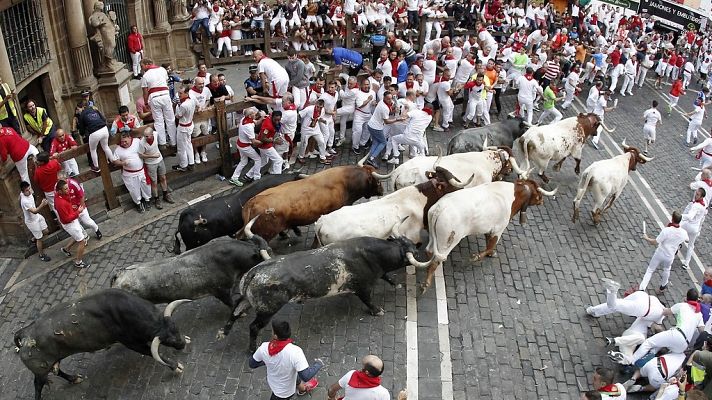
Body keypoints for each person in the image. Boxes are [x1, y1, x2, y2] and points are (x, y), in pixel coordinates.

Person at [611, 289, 704, 366]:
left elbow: (665, 312)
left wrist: (659, 308)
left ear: (686, 297)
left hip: (677, 334)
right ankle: (652, 357)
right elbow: (702, 330)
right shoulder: (699, 314)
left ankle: (631, 361)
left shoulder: (682, 305)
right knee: (660, 344)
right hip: (683, 346)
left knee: (648, 343)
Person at [250, 320, 322, 398]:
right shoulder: (295, 351)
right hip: (284, 391)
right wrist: (318, 364)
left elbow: (252, 364)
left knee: (293, 371)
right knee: (294, 369)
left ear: (275, 336)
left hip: (275, 383)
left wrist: (266, 361)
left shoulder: (264, 348)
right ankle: (302, 388)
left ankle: (302, 389)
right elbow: (306, 376)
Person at [638, 211, 688, 292]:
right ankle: (663, 285)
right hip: (670, 256)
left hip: (660, 252)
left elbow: (655, 242)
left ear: (672, 219)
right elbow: (687, 240)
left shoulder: (666, 230)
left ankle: (642, 288)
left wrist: (646, 237)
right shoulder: (683, 232)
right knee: (667, 269)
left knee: (650, 270)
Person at [112, 132, 153, 213]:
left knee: (146, 186)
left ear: (130, 138)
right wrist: (122, 163)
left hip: (141, 171)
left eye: (125, 141)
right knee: (134, 190)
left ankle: (147, 199)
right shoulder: (118, 150)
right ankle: (138, 203)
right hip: (129, 174)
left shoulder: (136, 141)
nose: (123, 143)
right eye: (122, 142)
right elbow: (115, 161)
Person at [141, 58, 177, 147]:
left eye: (142, 66)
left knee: (158, 121)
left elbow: (145, 92)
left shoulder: (145, 76)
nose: (141, 68)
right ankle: (174, 142)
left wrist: (146, 103)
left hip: (154, 98)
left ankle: (162, 142)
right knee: (170, 120)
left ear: (147, 64)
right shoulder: (162, 70)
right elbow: (165, 82)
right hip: (165, 95)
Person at [55, 179, 90, 268]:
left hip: (71, 221)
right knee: (81, 241)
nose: (68, 190)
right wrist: (77, 212)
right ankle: (78, 261)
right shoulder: (61, 204)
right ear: (60, 191)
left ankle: (66, 249)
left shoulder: (59, 197)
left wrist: (71, 208)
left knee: (77, 236)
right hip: (70, 224)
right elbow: (67, 219)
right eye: (66, 189)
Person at [364, 92, 406, 167]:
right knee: (383, 142)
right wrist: (397, 119)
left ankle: (369, 158)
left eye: (391, 98)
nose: (390, 100)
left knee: (376, 142)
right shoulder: (384, 108)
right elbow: (386, 121)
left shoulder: (382, 102)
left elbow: (390, 111)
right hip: (376, 127)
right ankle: (372, 158)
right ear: (384, 98)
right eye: (388, 99)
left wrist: (394, 109)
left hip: (371, 125)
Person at [59, 170, 102, 240]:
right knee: (77, 225)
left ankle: (96, 229)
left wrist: (82, 206)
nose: (59, 182)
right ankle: (84, 236)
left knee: (87, 222)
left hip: (79, 206)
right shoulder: (58, 187)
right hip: (71, 210)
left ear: (66, 178)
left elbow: (81, 195)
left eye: (61, 180)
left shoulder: (73, 184)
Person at [139, 127, 174, 209]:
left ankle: (165, 194)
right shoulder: (142, 143)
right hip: (150, 163)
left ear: (152, 134)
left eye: (148, 136)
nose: (146, 138)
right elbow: (141, 155)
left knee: (163, 177)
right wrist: (152, 156)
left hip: (160, 160)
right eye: (145, 136)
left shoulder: (156, 134)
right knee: (154, 182)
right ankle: (156, 199)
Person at [230, 107, 264, 186]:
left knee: (243, 161)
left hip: (240, 144)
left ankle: (234, 177)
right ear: (250, 116)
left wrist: (262, 117)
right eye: (254, 114)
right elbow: (254, 142)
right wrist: (264, 142)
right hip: (245, 147)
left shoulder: (244, 119)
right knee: (258, 159)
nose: (255, 114)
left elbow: (256, 122)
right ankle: (257, 178)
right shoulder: (248, 127)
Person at [19, 181, 51, 262]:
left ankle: (33, 239)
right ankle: (41, 255)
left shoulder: (23, 193)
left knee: (46, 231)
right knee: (39, 238)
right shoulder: (24, 201)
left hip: (37, 218)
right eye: (27, 190)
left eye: (29, 188)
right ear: (23, 191)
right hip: (32, 222)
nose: (29, 191)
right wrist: (42, 204)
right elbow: (34, 211)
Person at [78, 103, 113, 173]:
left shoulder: (82, 115)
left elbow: (81, 129)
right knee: (105, 147)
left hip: (94, 132)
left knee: (93, 149)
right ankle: (113, 160)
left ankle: (96, 167)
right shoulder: (94, 110)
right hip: (104, 129)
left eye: (78, 109)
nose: (78, 111)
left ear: (82, 108)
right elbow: (103, 119)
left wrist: (83, 134)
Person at [298, 99, 331, 165]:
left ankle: (322, 158)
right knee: (304, 143)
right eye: (317, 106)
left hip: (315, 128)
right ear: (315, 104)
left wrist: (322, 121)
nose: (319, 108)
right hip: (306, 129)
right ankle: (301, 156)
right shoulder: (309, 109)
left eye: (320, 107)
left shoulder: (323, 111)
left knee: (321, 141)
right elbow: (300, 115)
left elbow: (319, 118)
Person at [680, 188, 707, 270]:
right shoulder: (704, 204)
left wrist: (681, 216)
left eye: (698, 194)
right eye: (696, 193)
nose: (695, 195)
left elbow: (690, 217)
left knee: (677, 230)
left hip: (689, 225)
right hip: (695, 227)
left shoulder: (696, 205)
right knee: (691, 245)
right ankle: (686, 263)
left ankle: (674, 247)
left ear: (701, 196)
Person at [188, 76, 212, 164]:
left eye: (203, 83)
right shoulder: (191, 92)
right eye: (199, 84)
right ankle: (196, 153)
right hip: (195, 118)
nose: (201, 85)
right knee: (195, 135)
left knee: (205, 134)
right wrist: (197, 108)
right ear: (195, 84)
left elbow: (208, 100)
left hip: (204, 116)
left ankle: (203, 152)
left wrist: (204, 107)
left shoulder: (206, 90)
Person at [174, 85, 196, 172]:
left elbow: (178, 115)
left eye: (181, 93)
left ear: (186, 93)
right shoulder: (192, 101)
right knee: (188, 145)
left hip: (183, 127)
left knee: (181, 148)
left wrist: (176, 108)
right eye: (179, 93)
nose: (179, 95)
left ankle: (183, 165)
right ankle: (191, 162)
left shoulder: (183, 105)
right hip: (189, 125)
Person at [352, 79, 377, 154]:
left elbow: (373, 102)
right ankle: (355, 146)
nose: (367, 86)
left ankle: (362, 143)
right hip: (359, 114)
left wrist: (374, 103)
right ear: (361, 85)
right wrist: (369, 99)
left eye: (368, 84)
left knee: (367, 130)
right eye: (365, 84)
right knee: (357, 131)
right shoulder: (358, 93)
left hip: (368, 114)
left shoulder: (372, 92)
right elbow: (360, 105)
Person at [257, 111, 284, 175]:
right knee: (278, 160)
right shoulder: (268, 126)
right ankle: (276, 178)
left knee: (263, 162)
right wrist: (274, 141)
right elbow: (262, 138)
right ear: (272, 117)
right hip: (265, 146)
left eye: (279, 120)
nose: (277, 122)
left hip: (265, 145)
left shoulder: (270, 118)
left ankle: (249, 175)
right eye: (275, 120)